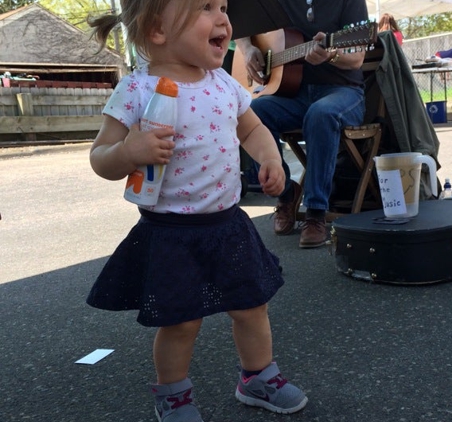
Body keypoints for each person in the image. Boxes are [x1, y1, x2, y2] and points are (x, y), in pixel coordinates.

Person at [85, 1, 308, 421]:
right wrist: (127, 151)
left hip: (227, 223)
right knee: (181, 322)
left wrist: (270, 158)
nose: (223, 18)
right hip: (170, 231)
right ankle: (173, 395)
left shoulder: (222, 82)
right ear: (157, 30)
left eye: (222, 6)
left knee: (251, 305)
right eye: (206, 7)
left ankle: (257, 377)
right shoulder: (137, 89)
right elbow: (99, 157)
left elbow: (252, 128)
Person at [235, 0, 369, 249]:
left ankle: (316, 212)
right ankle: (286, 193)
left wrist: (331, 54)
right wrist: (247, 49)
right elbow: (241, 19)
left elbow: (357, 57)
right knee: (252, 112)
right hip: (293, 94)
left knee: (320, 114)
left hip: (343, 91)